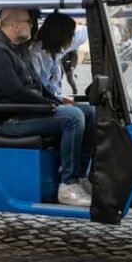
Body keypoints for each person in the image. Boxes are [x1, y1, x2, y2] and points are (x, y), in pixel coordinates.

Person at [0, 8, 91, 207]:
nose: (32, 25)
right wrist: (47, 105)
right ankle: (68, 184)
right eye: (29, 21)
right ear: (14, 25)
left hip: (26, 111)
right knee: (73, 117)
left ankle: (81, 175)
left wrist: (57, 101)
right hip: (10, 118)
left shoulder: (18, 48)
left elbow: (38, 85)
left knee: (88, 112)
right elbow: (15, 91)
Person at [29, 12, 95, 174]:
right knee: (75, 116)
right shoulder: (35, 55)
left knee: (91, 112)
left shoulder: (55, 51)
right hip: (41, 107)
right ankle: (68, 178)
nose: (72, 39)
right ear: (59, 35)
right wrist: (59, 101)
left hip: (54, 102)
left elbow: (84, 33)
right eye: (69, 35)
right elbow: (36, 90)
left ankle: (81, 171)